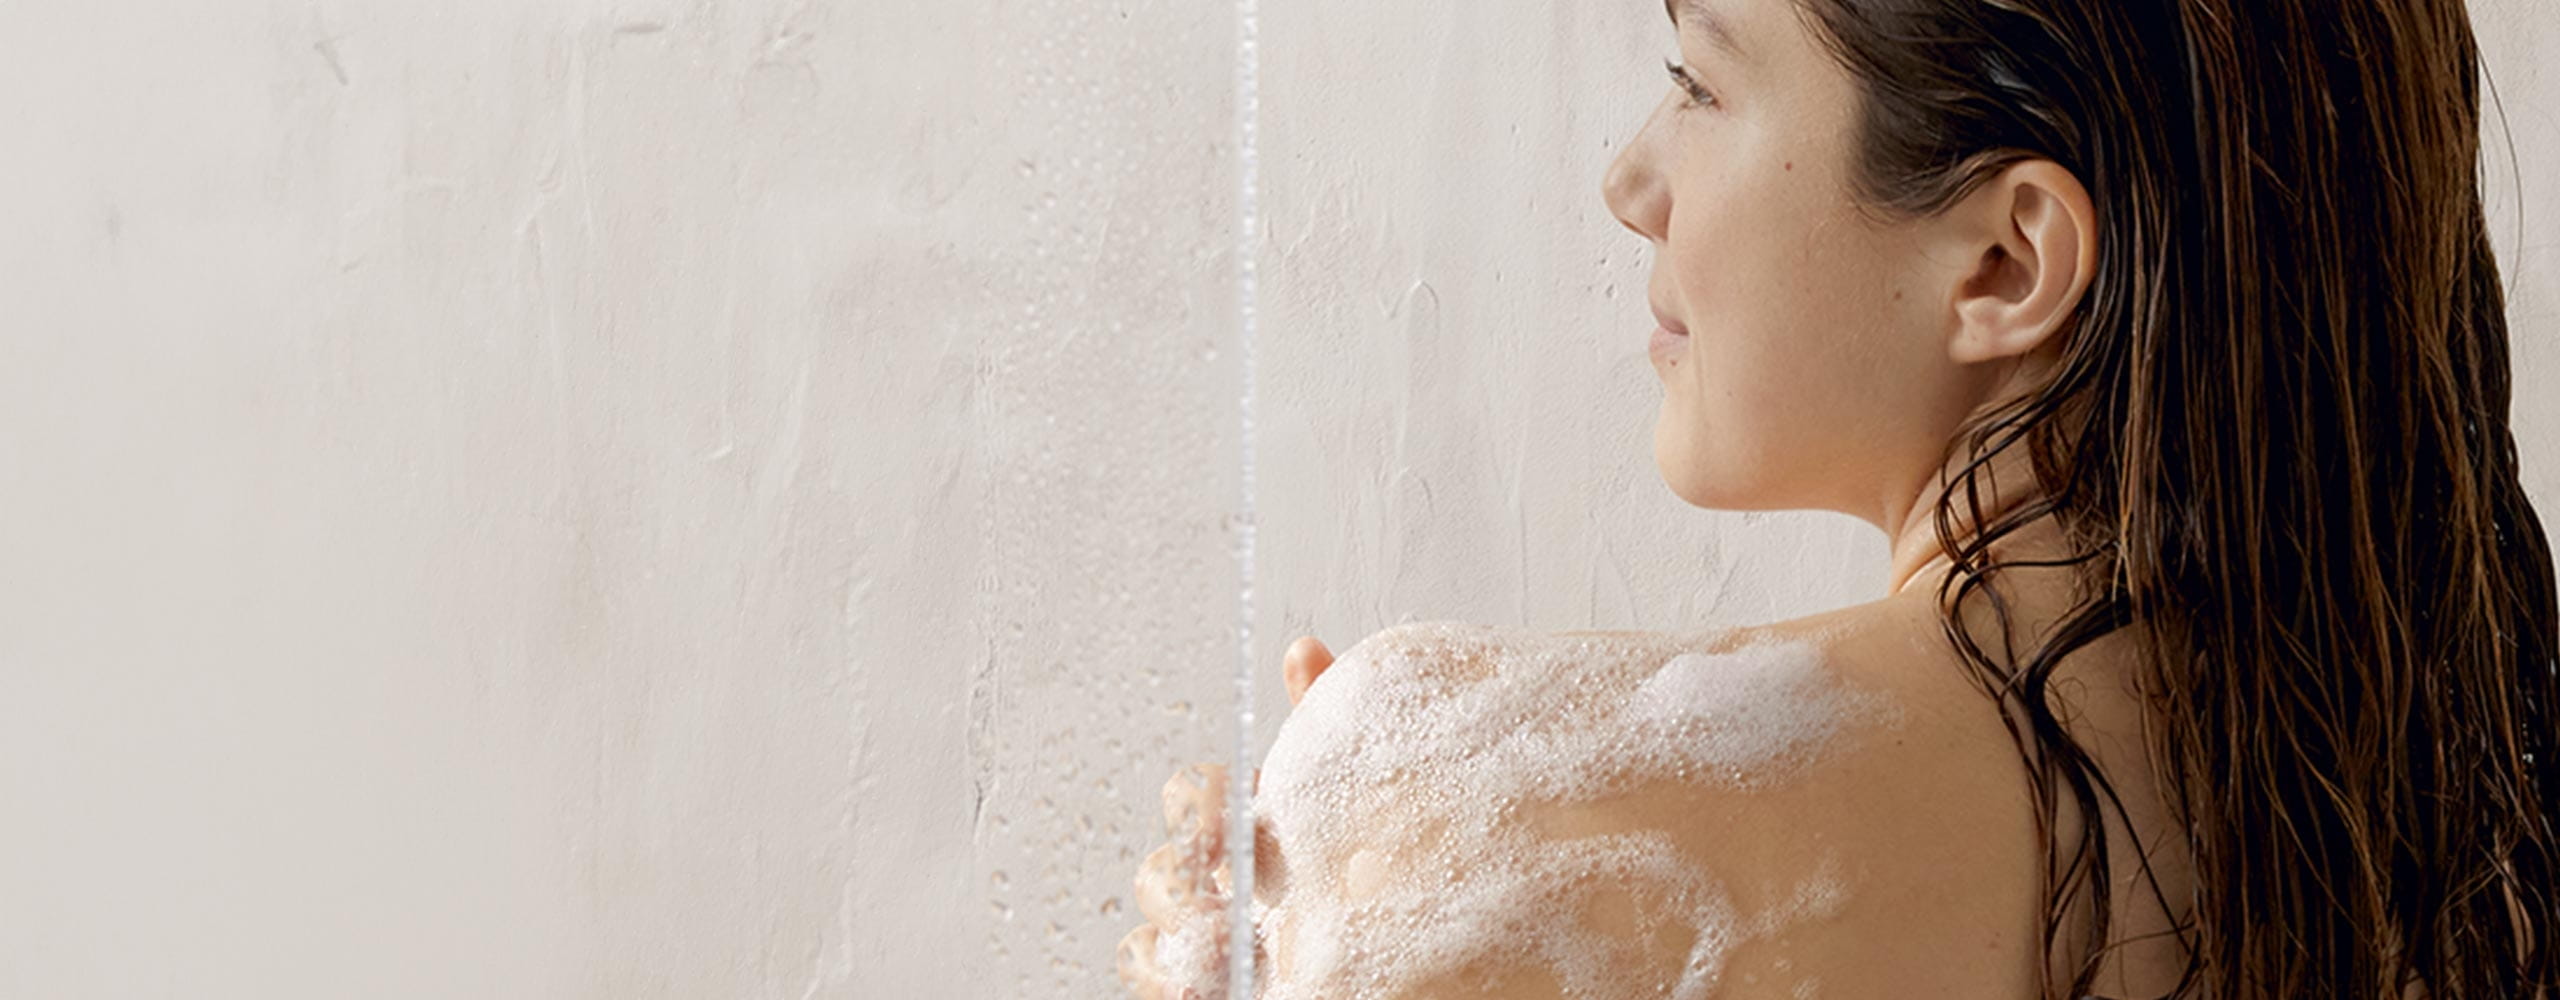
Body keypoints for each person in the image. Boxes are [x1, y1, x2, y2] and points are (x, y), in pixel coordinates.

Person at [1120, 0, 2558, 996]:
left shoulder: (1507, 828)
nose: (1632, 179)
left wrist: (1355, 858)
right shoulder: (2474, 856)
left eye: (1699, 83)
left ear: (2005, 262)